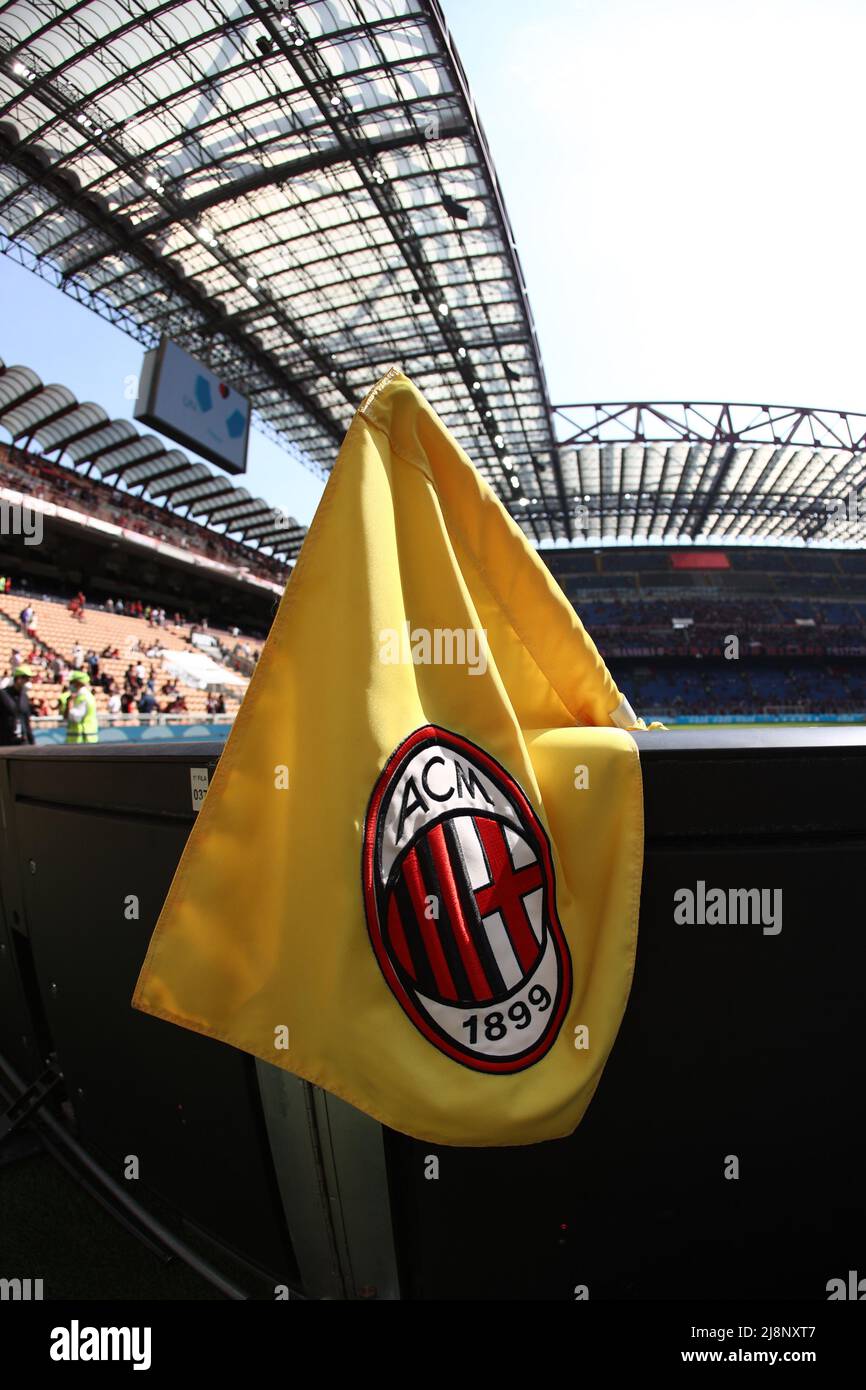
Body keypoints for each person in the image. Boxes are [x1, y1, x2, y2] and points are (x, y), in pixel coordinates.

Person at [0, 665, 35, 746]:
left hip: (22, 741)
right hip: (5, 742)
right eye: (26, 678)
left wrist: (32, 742)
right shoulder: (3, 695)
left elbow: (27, 721)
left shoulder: (24, 697)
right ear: (18, 679)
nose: (28, 681)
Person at [65, 671, 99, 745]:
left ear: (79, 682)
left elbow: (77, 717)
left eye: (72, 682)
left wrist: (70, 706)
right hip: (84, 738)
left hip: (82, 739)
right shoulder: (85, 696)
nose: (70, 685)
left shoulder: (83, 697)